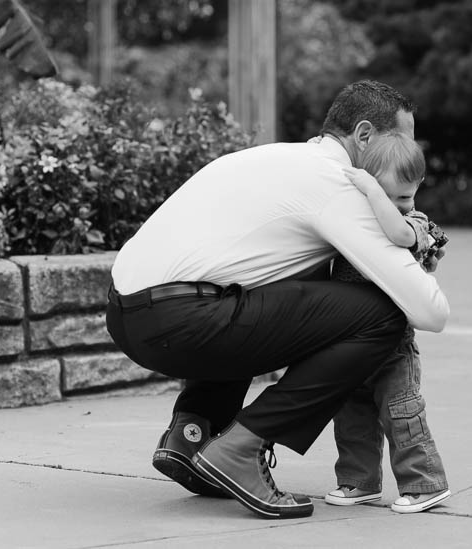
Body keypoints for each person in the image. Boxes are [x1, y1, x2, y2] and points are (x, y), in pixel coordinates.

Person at [106, 80, 450, 520]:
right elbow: (430, 312)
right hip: (186, 320)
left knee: (273, 285)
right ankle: (241, 447)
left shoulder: (274, 157)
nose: (408, 155)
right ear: (363, 136)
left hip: (126, 314)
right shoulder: (340, 187)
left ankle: (192, 432)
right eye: (401, 140)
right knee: (381, 314)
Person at [319, 133, 451, 514]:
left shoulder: (414, 222)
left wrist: (372, 191)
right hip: (352, 342)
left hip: (394, 347)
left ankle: (424, 483)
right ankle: (359, 481)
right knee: (352, 415)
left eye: (405, 196)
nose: (398, 205)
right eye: (386, 194)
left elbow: (397, 233)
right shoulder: (354, 225)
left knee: (402, 414)